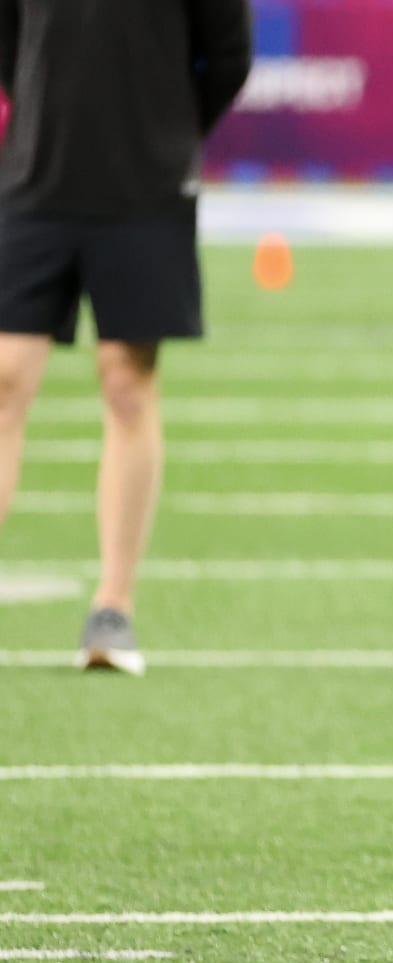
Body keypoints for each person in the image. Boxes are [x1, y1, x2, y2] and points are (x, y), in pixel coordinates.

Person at [0, 0, 252, 673]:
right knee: (5, 374)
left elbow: (229, 55)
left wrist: (165, 132)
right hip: (34, 179)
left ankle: (114, 607)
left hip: (146, 189)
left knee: (127, 383)